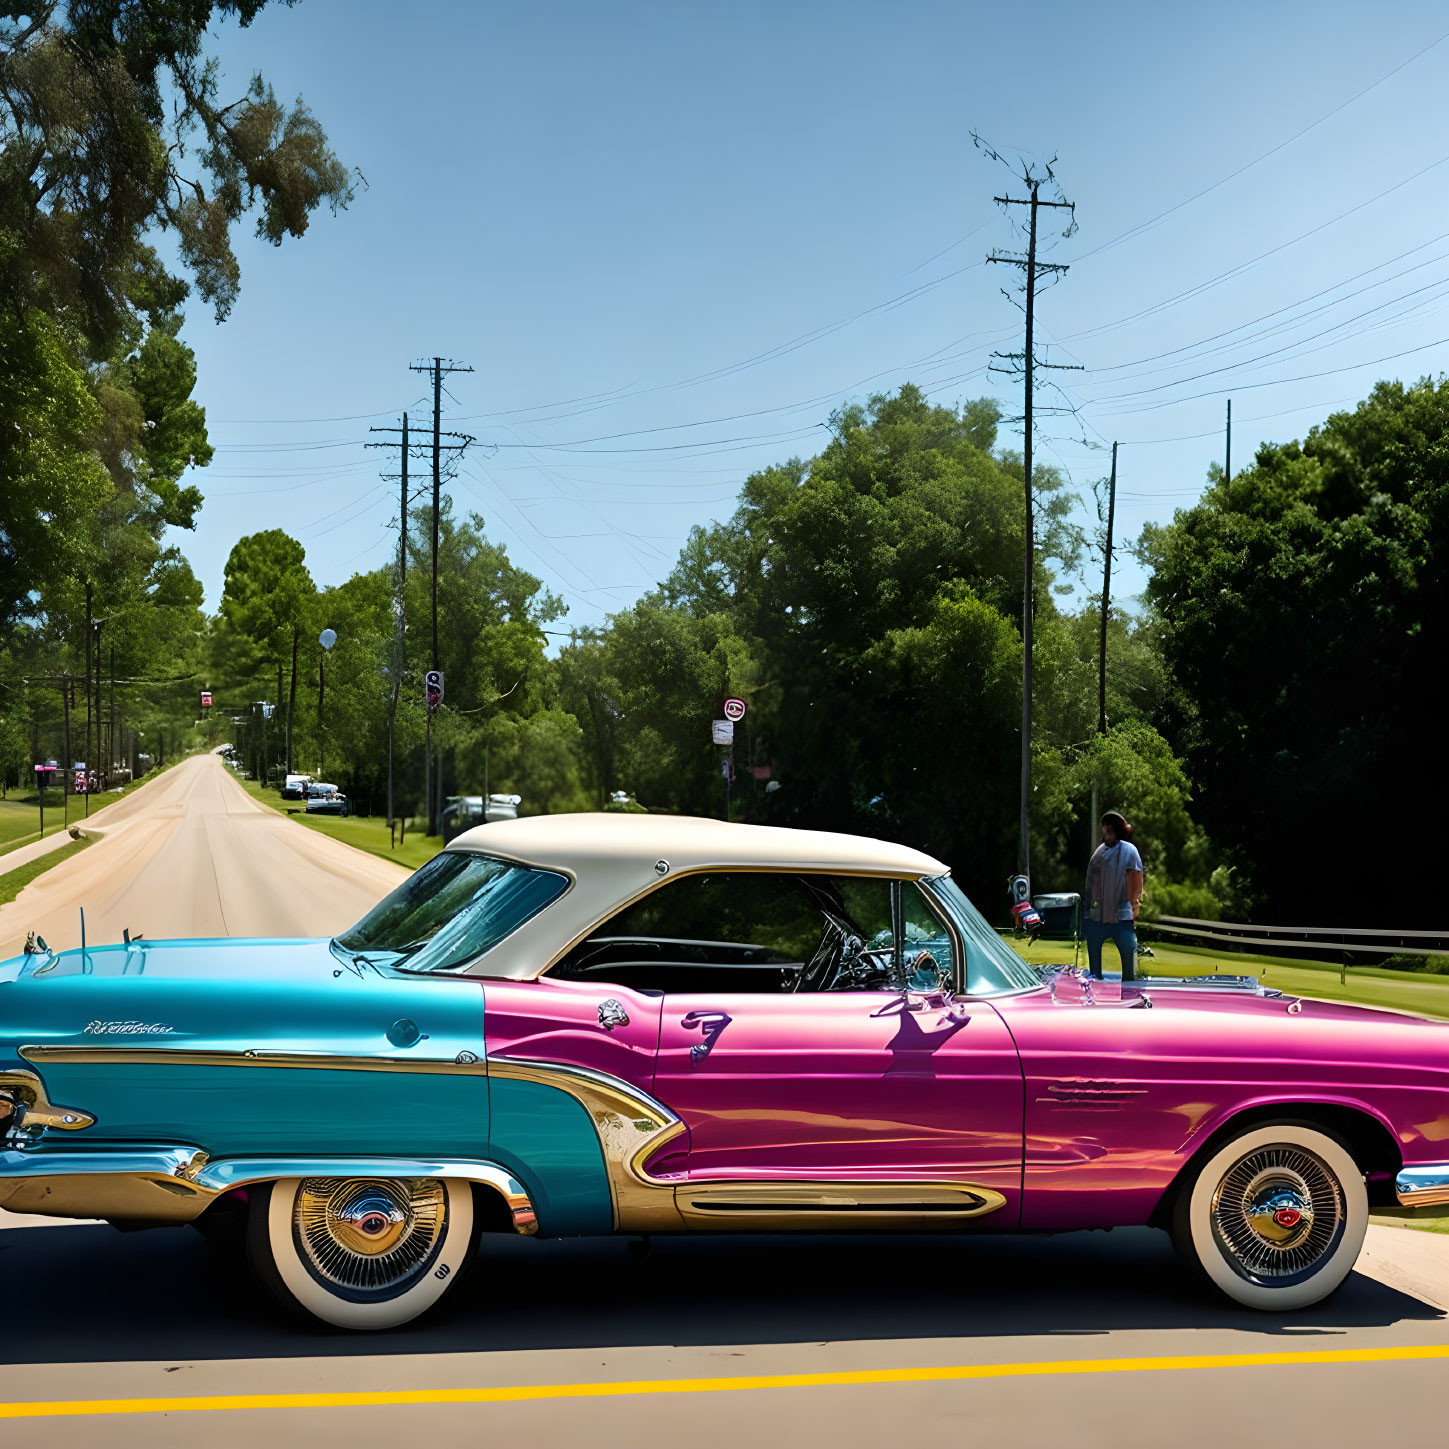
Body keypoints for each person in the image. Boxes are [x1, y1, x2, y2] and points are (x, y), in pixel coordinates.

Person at [1084, 809, 1143, 980]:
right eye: (1105, 825)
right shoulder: (1100, 853)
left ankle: (1129, 991)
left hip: (1121, 916)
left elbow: (1134, 879)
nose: (1107, 829)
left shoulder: (1128, 850)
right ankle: (1094, 990)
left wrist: (1134, 905)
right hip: (1099, 917)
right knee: (1095, 969)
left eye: (1111, 825)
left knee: (1128, 962)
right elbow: (1091, 885)